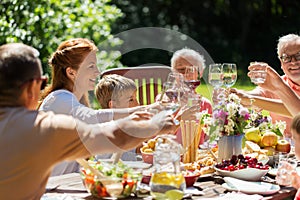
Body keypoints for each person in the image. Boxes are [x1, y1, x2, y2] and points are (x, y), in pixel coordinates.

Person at [0, 43, 176, 199]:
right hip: (58, 186)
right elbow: (105, 131)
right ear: (31, 86)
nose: (98, 72)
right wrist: (155, 124)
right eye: (41, 82)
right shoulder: (46, 122)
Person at [38, 38, 163, 176]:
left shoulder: (75, 100)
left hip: (66, 181)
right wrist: (153, 110)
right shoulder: (59, 99)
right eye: (91, 66)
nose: (97, 72)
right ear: (71, 72)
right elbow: (94, 118)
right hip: (48, 187)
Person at [232, 33, 300, 138]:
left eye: (298, 56)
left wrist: (280, 88)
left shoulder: (278, 84)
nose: (293, 62)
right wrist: (236, 95)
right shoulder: (276, 84)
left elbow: (296, 112)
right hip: (283, 152)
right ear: (281, 63)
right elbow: (256, 95)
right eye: (287, 58)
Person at [170, 48, 213, 145]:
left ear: (200, 73)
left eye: (191, 69)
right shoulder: (165, 102)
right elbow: (157, 137)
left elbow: (209, 139)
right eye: (181, 69)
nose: (185, 74)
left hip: (197, 157)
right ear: (173, 72)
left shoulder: (205, 105)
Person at [94, 74, 140, 160]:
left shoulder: (130, 124)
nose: (137, 104)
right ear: (113, 105)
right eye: (131, 100)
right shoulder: (107, 130)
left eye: (135, 98)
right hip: (107, 171)